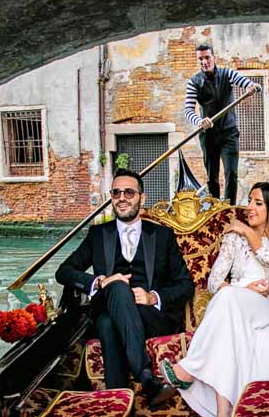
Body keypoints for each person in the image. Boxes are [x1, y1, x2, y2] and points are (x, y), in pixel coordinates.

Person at [157, 181, 269, 417]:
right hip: (237, 303)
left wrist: (244, 229)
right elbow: (214, 281)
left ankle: (188, 371)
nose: (249, 207)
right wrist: (245, 287)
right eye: (250, 201)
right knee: (228, 303)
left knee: (229, 296)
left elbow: (268, 257)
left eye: (258, 203)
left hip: (268, 306)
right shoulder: (233, 239)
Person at [55, 169, 193, 400]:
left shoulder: (162, 235)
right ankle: (144, 372)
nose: (122, 198)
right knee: (117, 288)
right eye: (116, 192)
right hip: (108, 305)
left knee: (109, 325)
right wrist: (100, 281)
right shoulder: (98, 234)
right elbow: (64, 272)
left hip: (151, 316)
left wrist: (153, 297)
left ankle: (117, 406)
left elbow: (185, 284)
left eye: (129, 192)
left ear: (142, 198)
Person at [183, 43, 260, 204]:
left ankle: (229, 210)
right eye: (200, 59)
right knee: (212, 177)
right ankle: (216, 210)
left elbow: (243, 81)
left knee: (231, 173)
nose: (204, 62)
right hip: (208, 135)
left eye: (207, 57)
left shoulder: (227, 74)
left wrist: (251, 86)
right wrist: (199, 121)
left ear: (213, 57)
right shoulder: (194, 82)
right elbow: (188, 110)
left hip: (229, 133)